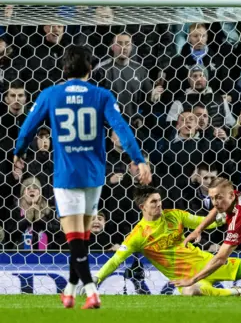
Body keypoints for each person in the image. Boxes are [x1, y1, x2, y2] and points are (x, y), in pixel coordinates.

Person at [12, 45, 152, 309]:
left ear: (64, 68)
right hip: (94, 175)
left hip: (66, 176)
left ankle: (91, 291)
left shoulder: (51, 94)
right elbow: (121, 128)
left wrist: (18, 151)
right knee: (82, 237)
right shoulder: (101, 95)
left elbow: (28, 128)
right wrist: (139, 159)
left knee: (75, 239)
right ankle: (69, 290)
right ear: (90, 68)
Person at [94, 186, 241, 297]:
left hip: (209, 262)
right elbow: (116, 260)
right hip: (186, 277)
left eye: (159, 200)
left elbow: (202, 221)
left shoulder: (175, 216)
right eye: (154, 202)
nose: (159, 205)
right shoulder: (138, 235)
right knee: (193, 290)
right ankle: (237, 293)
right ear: (142, 206)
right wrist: (97, 278)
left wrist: (224, 217)